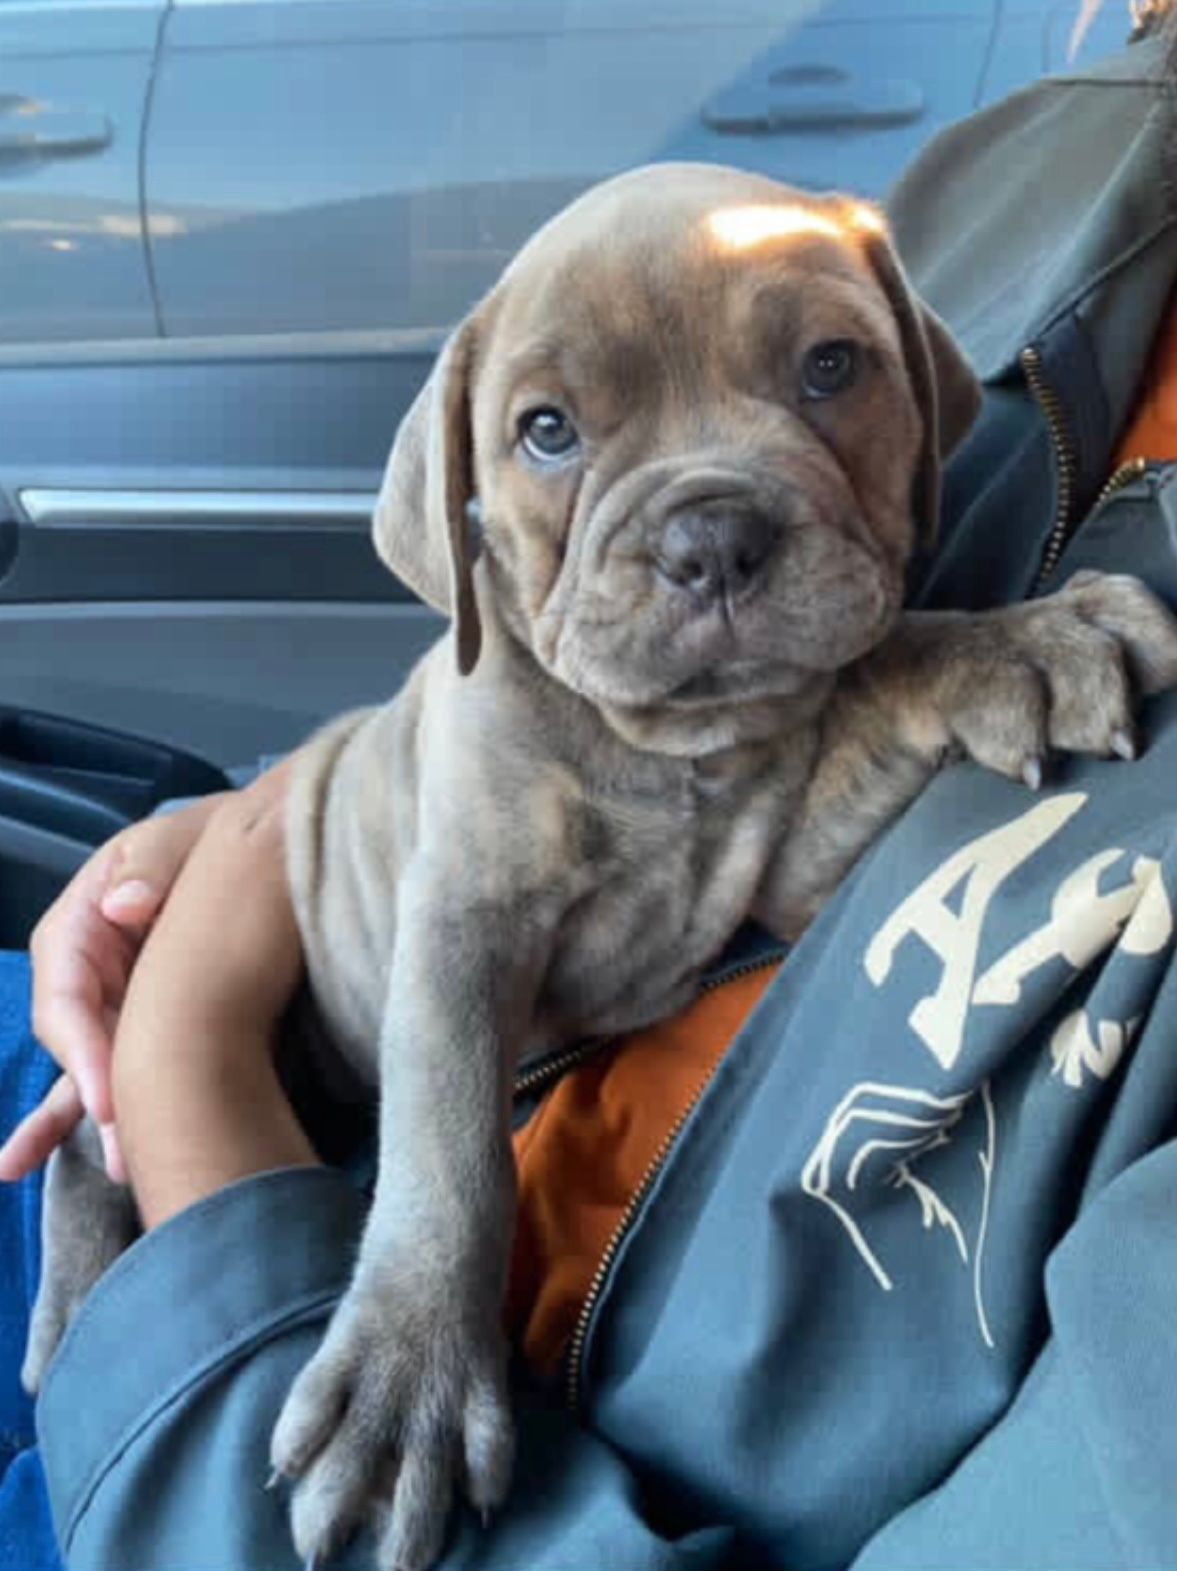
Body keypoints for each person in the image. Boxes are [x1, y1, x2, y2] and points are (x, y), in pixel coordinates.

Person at [8, 10, 1177, 1567]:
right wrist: (241, 832)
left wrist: (187, 1068)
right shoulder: (1055, 154)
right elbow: (532, 834)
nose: (706, 530)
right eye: (553, 431)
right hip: (276, 1105)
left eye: (823, 372)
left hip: (303, 1363)